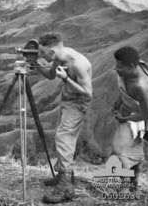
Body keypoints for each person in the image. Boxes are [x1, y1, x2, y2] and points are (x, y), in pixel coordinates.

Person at [37, 33, 93, 203]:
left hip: (78, 103)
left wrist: (67, 79)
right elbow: (51, 75)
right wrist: (35, 65)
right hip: (67, 100)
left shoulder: (78, 63)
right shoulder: (59, 56)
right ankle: (64, 176)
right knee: (65, 140)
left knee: (64, 138)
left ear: (51, 50)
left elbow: (88, 93)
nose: (41, 55)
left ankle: (66, 187)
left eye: (42, 52)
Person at [112, 46, 148, 189]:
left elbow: (147, 113)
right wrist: (119, 101)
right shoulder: (129, 71)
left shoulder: (140, 86)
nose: (116, 69)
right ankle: (132, 182)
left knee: (121, 149)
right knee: (130, 149)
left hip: (143, 115)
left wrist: (126, 118)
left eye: (120, 66)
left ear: (131, 67)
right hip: (132, 111)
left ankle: (128, 183)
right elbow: (125, 91)